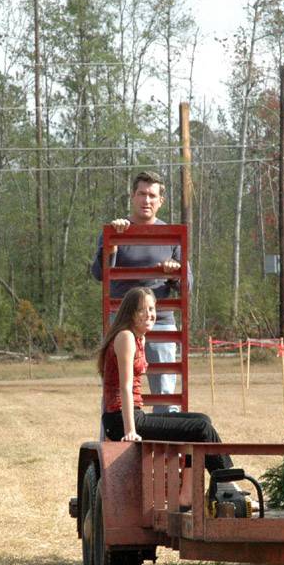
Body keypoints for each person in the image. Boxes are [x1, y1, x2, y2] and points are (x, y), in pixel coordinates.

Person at [98, 287, 230, 474]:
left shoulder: (139, 338)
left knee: (202, 420)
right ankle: (227, 482)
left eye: (152, 309)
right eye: (142, 309)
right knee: (201, 428)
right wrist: (130, 431)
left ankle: (188, 491)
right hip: (120, 420)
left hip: (135, 415)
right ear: (130, 313)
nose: (149, 314)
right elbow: (125, 387)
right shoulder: (125, 337)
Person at [90, 171, 185, 412]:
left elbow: (188, 285)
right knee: (116, 389)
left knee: (165, 394)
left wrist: (174, 274)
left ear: (161, 201)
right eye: (141, 194)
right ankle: (117, 443)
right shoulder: (116, 230)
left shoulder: (172, 235)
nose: (146, 200)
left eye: (152, 195)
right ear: (132, 196)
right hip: (121, 323)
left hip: (161, 321)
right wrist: (111, 246)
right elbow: (99, 274)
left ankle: (166, 447)